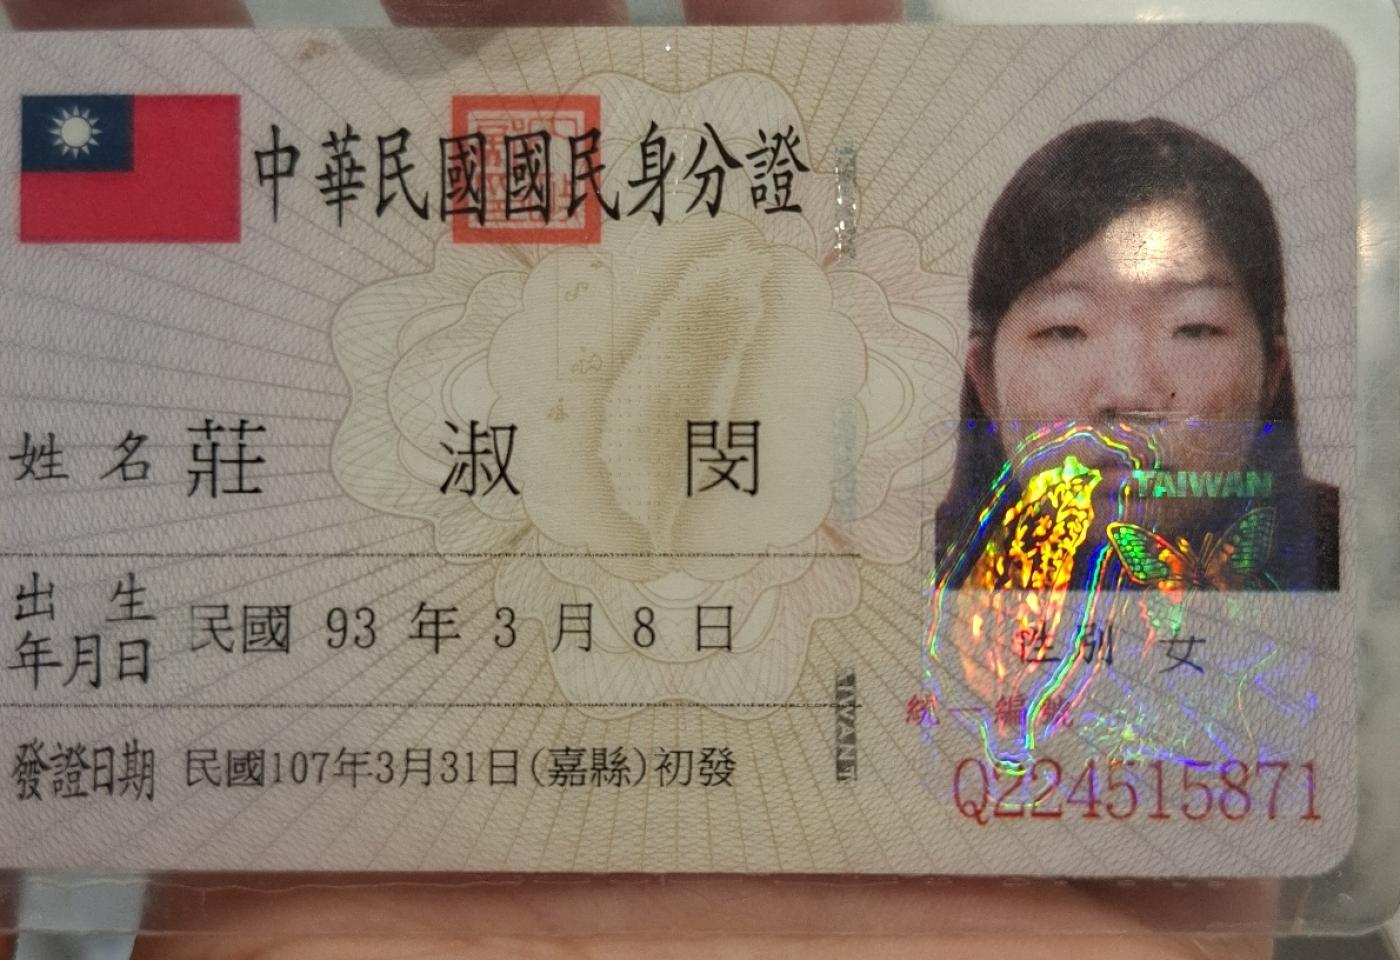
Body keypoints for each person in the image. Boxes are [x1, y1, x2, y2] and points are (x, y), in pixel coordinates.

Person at [935, 118, 1340, 593]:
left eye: (1192, 328)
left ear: (1270, 372)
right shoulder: (907, 571)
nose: (1128, 397)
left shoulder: (1355, 556)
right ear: (985, 381)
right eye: (1065, 330)